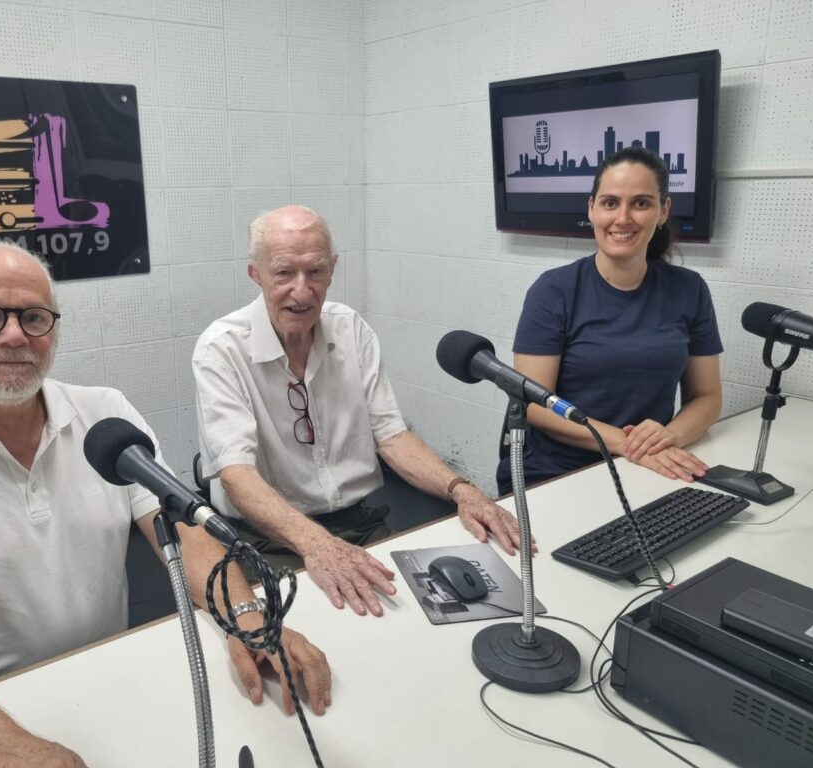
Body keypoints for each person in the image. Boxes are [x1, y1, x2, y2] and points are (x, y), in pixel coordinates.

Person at [0, 242, 331, 768]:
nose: (14, 336)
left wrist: (249, 618)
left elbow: (186, 533)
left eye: (33, 318)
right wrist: (1, 750)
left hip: (95, 675)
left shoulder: (105, 416)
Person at [193, 205, 526, 619]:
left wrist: (464, 491)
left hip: (358, 523)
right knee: (309, 634)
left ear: (332, 270)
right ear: (255, 274)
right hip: (266, 538)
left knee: (415, 615)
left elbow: (392, 435)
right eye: (284, 273)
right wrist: (317, 545)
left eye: (315, 271)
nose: (302, 290)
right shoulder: (221, 349)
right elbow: (236, 474)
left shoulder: (351, 329)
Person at [495, 147, 723, 494]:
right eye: (610, 203)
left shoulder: (689, 289)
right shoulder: (553, 291)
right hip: (558, 474)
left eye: (641, 203)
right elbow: (536, 407)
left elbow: (707, 397)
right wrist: (628, 444)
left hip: (649, 468)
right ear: (592, 208)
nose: (623, 218)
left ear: (664, 210)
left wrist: (671, 435)